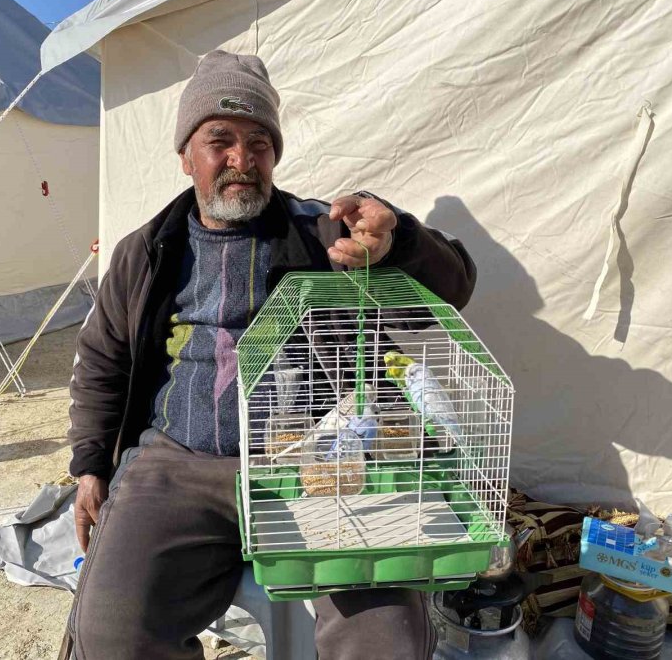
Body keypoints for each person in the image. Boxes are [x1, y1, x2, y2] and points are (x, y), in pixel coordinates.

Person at [63, 50, 477, 660]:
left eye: (260, 142)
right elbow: (103, 362)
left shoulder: (326, 233)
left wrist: (397, 243)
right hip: (180, 463)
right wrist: (91, 465)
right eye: (219, 140)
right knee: (110, 634)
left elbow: (456, 286)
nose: (241, 159)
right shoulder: (147, 250)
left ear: (275, 155)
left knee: (384, 635)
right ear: (186, 157)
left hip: (323, 466)